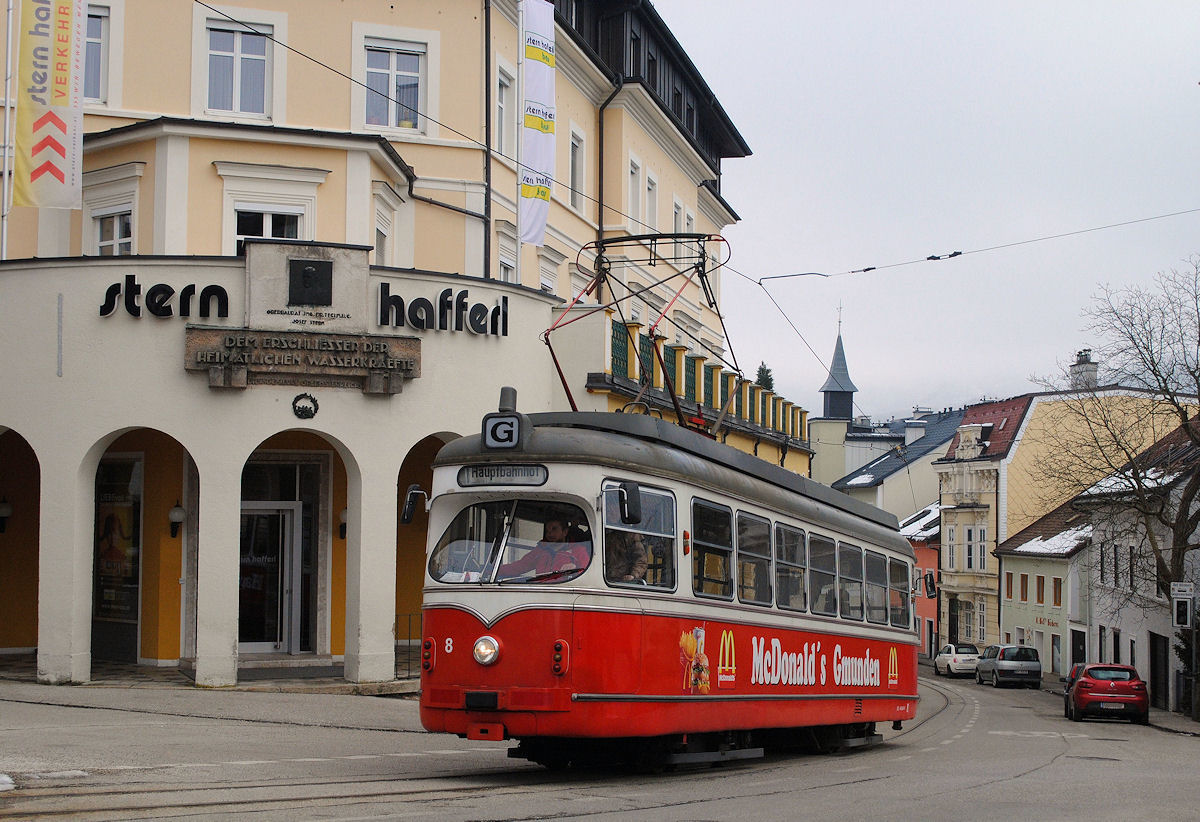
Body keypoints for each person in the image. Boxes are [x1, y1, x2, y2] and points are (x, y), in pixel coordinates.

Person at [498, 516, 589, 578]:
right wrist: (493, 571)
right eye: (547, 530)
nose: (550, 533)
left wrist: (575, 569)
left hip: (564, 594)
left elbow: (588, 574)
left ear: (565, 532)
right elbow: (519, 566)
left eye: (554, 529)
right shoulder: (540, 551)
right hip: (541, 591)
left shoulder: (578, 551)